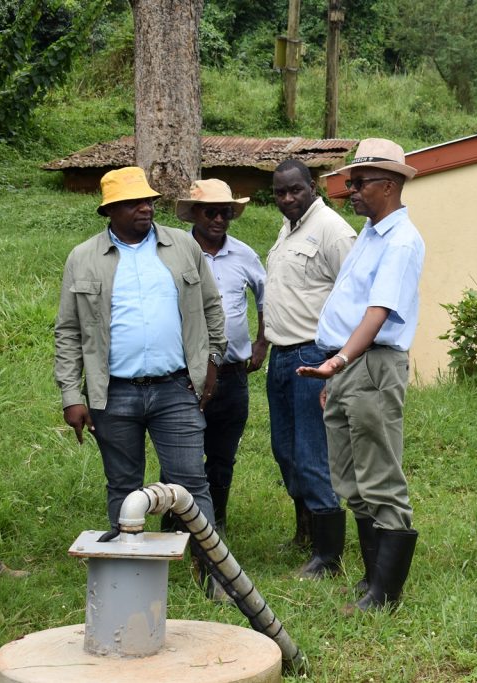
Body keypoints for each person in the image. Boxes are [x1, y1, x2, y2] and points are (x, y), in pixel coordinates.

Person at [54, 166, 225, 533]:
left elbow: (211, 307)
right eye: (132, 202)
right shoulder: (82, 258)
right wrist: (71, 395)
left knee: (191, 483)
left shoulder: (182, 246)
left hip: (176, 389)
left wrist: (213, 359)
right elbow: (68, 332)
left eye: (147, 200)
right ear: (109, 211)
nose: (145, 207)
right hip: (113, 394)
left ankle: (214, 573)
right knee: (122, 485)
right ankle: (126, 577)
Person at [297, 138, 425, 612]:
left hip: (369, 364)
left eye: (359, 182)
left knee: (379, 477)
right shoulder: (370, 235)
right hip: (348, 367)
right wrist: (336, 375)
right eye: (350, 182)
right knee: (349, 478)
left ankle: (384, 595)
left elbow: (378, 311)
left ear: (388, 185)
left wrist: (340, 361)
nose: (349, 190)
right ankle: (373, 580)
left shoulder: (402, 240)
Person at [265, 159, 356, 578]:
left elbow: (357, 294)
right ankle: (306, 530)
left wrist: (338, 361)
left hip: (312, 356)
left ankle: (328, 555)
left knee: (311, 454)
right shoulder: (289, 230)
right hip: (281, 355)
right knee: (284, 450)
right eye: (280, 192)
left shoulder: (332, 230)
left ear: (313, 186)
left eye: (294, 190)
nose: (287, 199)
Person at [175, 179, 266, 536]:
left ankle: (216, 525)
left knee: (222, 455)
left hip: (231, 373)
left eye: (225, 212)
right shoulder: (176, 251)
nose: (218, 219)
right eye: (210, 212)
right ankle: (177, 523)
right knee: (181, 454)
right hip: (184, 373)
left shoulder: (244, 254)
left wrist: (263, 342)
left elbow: (266, 296)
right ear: (195, 214)